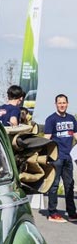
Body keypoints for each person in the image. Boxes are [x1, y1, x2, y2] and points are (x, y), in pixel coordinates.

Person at [43, 93, 77, 222]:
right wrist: (44, 156)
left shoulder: (72, 119)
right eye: (59, 103)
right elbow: (47, 139)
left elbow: (75, 134)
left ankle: (72, 213)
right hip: (56, 157)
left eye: (64, 103)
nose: (62, 105)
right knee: (54, 185)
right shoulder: (51, 119)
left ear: (67, 104)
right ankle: (52, 213)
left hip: (67, 157)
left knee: (69, 185)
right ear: (56, 104)